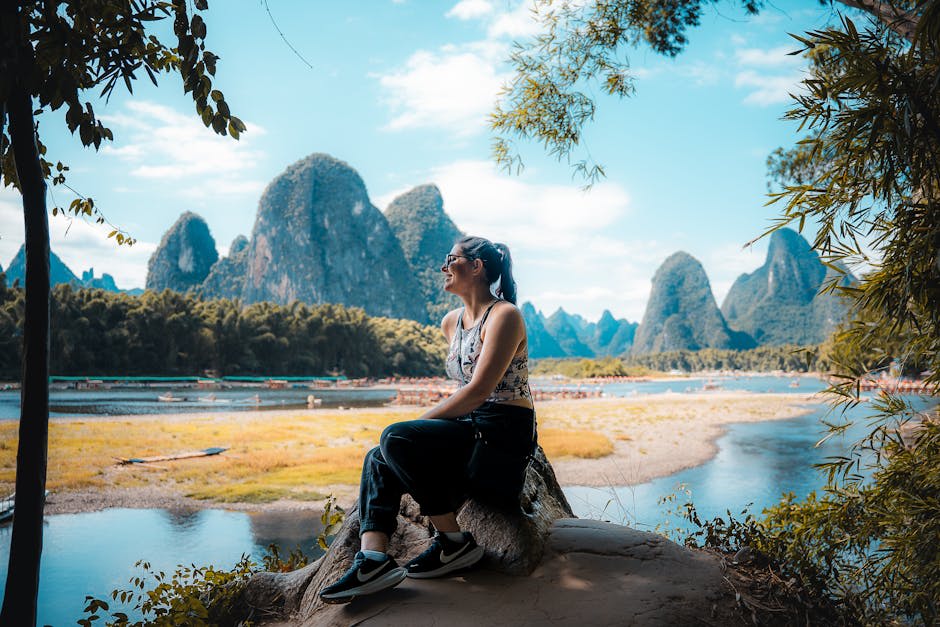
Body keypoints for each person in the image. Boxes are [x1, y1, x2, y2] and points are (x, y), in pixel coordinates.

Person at [319, 235, 535, 604]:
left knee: (396, 439)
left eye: (450, 259)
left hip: (503, 436)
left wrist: (411, 431)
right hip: (472, 428)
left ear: (476, 267)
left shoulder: (505, 315)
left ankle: (454, 543)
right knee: (378, 455)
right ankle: (373, 559)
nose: (442, 267)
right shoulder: (451, 322)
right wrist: (407, 437)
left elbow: (479, 390)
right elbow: (467, 396)